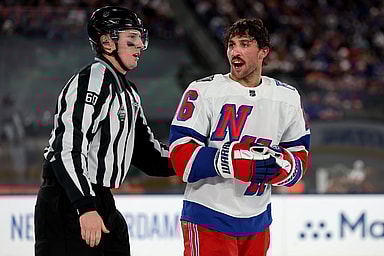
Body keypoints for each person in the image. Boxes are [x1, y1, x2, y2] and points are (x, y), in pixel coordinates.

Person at [34, 6, 175, 256]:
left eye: (140, 39)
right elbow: (67, 148)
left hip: (99, 199)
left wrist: (199, 159)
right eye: (131, 39)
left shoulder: (128, 92)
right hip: (67, 201)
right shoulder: (91, 82)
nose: (140, 46)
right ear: (107, 42)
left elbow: (149, 155)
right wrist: (85, 207)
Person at [169, 18, 310, 256]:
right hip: (208, 217)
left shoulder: (287, 97)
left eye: (245, 44)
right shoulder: (202, 91)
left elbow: (300, 157)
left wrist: (280, 167)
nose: (235, 51)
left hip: (258, 221)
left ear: (264, 51)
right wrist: (232, 161)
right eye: (231, 45)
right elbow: (180, 156)